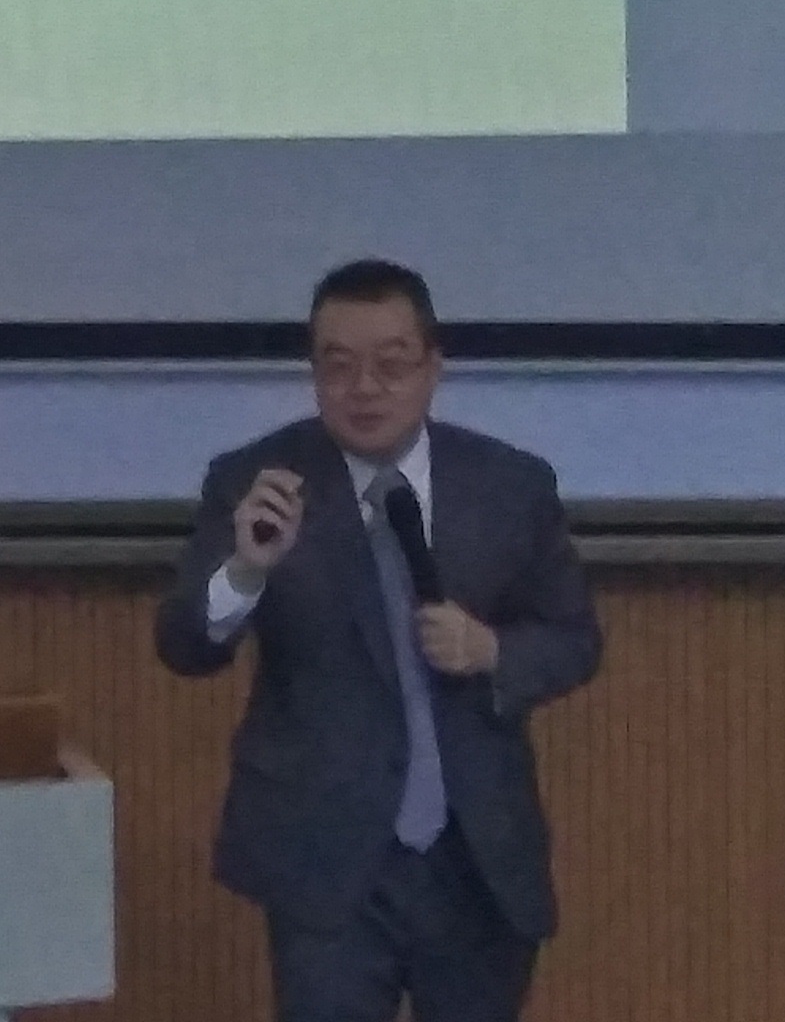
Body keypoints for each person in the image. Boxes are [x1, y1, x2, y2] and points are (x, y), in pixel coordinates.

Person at [153, 258, 602, 1022]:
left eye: (390, 365)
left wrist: (493, 651)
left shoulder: (511, 485)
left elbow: (575, 638)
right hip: (328, 857)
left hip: (475, 859)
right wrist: (246, 570)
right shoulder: (256, 482)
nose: (364, 388)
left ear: (433, 369)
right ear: (313, 374)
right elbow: (185, 645)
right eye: (339, 367)